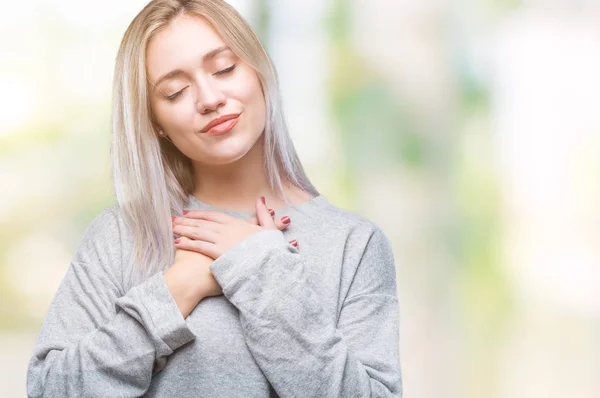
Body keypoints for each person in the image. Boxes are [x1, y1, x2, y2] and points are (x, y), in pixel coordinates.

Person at [26, 0, 403, 396]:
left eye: (224, 68)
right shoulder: (122, 236)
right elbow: (51, 389)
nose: (209, 98)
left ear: (259, 70)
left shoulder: (354, 245)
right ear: (157, 124)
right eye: (175, 92)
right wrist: (178, 289)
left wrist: (259, 269)